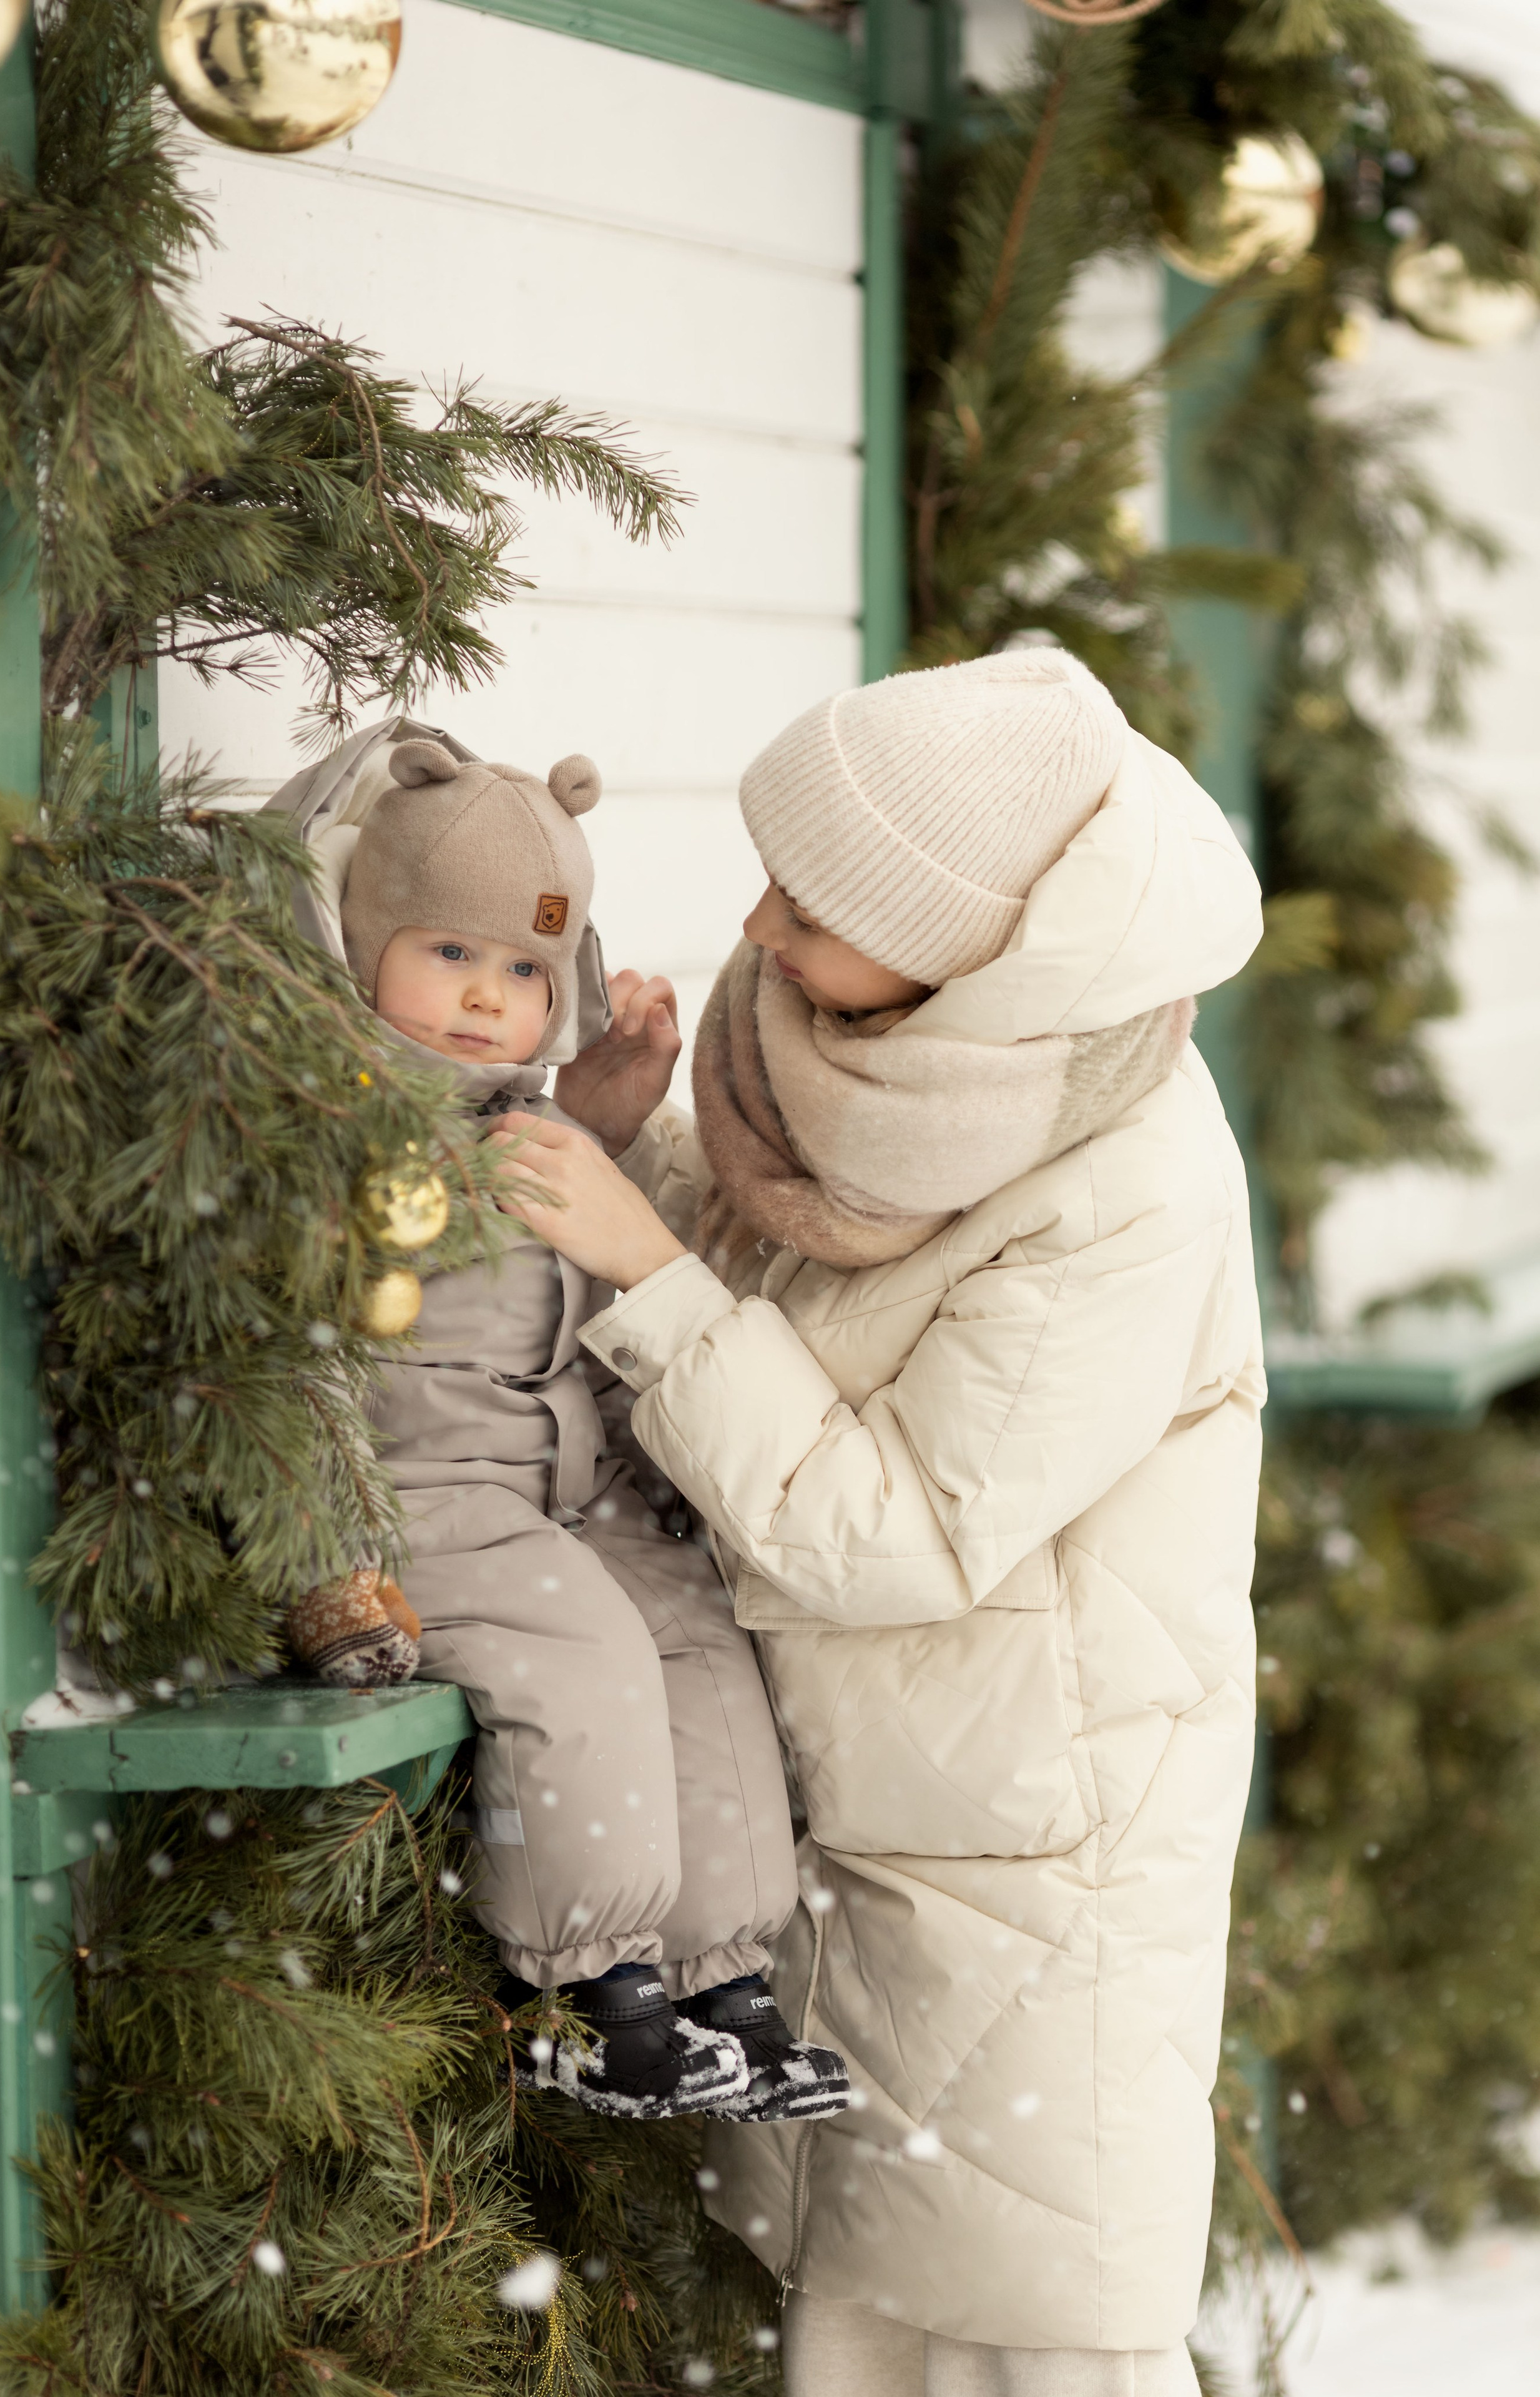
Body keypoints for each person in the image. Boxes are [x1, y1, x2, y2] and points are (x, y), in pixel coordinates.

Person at [489, 650, 1267, 2395]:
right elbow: (791, 1285)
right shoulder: (854, 1036)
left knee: (1003, 2336)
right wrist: (633, 1151)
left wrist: (647, 1263)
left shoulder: (1130, 1187)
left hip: (1025, 1881)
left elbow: (889, 1527)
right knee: (847, 2318)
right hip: (838, 1824)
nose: (760, 923)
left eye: (815, 897)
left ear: (972, 945)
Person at [268, 721, 850, 2128]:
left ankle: (720, 1984)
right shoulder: (327, 1139)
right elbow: (280, 1363)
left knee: (692, 1632)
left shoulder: (517, 1137)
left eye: (524, 970)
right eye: (447, 954)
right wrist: (323, 1559)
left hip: (548, 1494)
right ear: (356, 939)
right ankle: (583, 1993)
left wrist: (646, 1481)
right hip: (422, 1497)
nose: (484, 1000)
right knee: (574, 1645)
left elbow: (566, 1325)